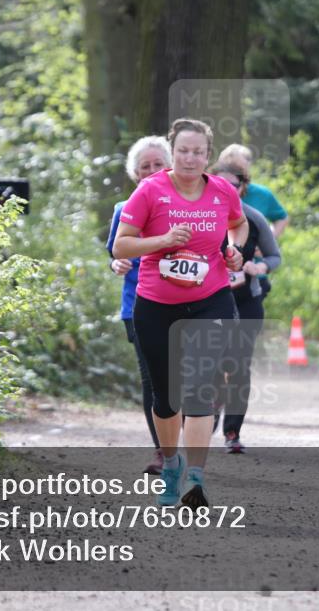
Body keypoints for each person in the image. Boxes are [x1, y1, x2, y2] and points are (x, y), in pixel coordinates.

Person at [113, 118, 248, 508]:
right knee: (166, 397)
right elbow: (122, 246)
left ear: (208, 155)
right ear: (173, 153)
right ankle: (172, 464)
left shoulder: (222, 190)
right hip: (156, 305)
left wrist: (234, 248)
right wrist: (164, 240)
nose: (191, 158)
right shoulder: (149, 191)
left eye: (198, 152)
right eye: (184, 151)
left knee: (201, 389)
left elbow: (238, 224)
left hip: (211, 300)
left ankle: (196, 478)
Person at [106, 136, 172, 475]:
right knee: (152, 380)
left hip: (184, 302)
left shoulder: (186, 206)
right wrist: (117, 265)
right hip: (138, 305)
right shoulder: (123, 209)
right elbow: (115, 253)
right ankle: (163, 451)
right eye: (144, 166)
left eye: (158, 164)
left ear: (170, 166)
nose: (151, 170)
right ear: (135, 173)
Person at [209, 160, 282, 453]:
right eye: (221, 183)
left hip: (246, 302)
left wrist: (259, 267)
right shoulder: (201, 216)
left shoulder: (253, 218)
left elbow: (275, 256)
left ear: (243, 188)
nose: (227, 189)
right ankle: (213, 404)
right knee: (214, 363)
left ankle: (232, 432)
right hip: (210, 302)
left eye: (234, 185)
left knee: (239, 366)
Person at [218, 144, 289, 238]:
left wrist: (267, 239)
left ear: (248, 167)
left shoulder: (262, 195)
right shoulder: (207, 192)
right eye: (229, 168)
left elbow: (282, 218)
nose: (234, 174)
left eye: (239, 169)